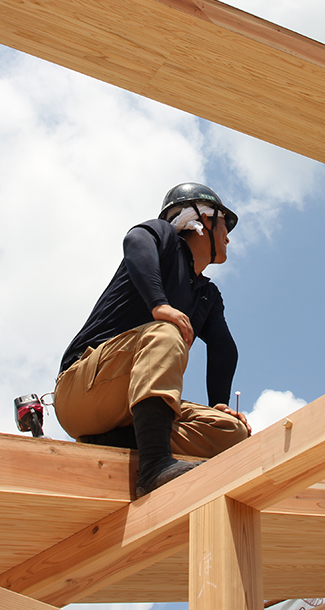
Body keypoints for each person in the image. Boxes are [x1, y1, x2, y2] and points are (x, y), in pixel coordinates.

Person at [54, 182, 250, 497]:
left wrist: (220, 404)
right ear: (199, 220)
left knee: (232, 432)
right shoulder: (164, 238)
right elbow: (135, 240)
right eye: (224, 223)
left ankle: (117, 443)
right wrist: (159, 304)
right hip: (83, 392)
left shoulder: (207, 295)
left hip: (127, 412)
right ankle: (155, 466)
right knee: (166, 332)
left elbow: (223, 348)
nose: (228, 235)